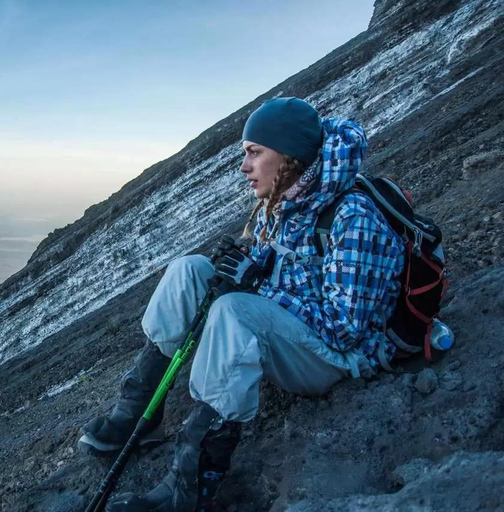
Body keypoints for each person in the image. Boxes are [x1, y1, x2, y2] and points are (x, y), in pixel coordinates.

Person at [79, 97, 405, 511]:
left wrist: (259, 289)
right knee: (190, 270)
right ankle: (138, 411)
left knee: (232, 312)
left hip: (341, 358)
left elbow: (346, 329)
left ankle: (188, 487)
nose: (244, 166)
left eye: (254, 153)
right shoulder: (287, 196)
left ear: (288, 157)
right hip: (296, 326)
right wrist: (246, 267)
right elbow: (286, 267)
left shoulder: (352, 215)